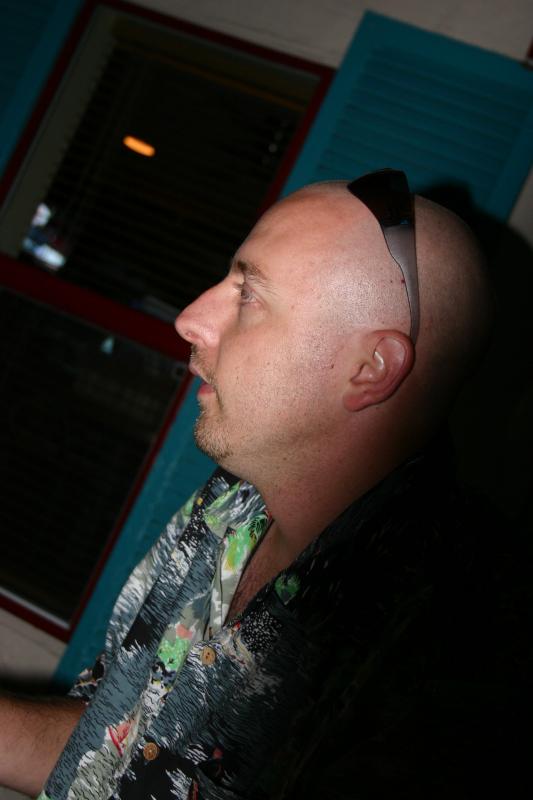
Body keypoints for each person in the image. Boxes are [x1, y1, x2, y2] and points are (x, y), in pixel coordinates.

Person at [0, 170, 524, 799]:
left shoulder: (452, 653)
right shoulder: (228, 507)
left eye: (248, 294)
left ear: (369, 368)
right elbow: (113, 747)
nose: (189, 319)